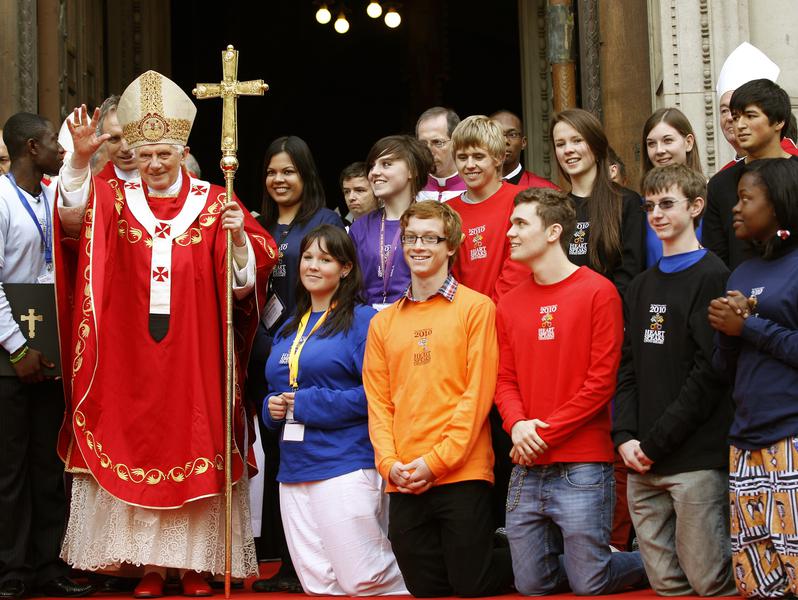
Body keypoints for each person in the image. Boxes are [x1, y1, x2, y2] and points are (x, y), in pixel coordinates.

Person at [54, 71, 278, 597]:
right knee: (138, 444)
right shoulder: (114, 198)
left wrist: (237, 241)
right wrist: (78, 162)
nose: (154, 164)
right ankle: (149, 566)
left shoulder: (214, 200)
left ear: (183, 152)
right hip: (129, 357)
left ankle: (196, 565)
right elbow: (72, 223)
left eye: (164, 154)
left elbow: (247, 282)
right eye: (145, 154)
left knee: (195, 441)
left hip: (196, 356)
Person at [495, 186, 646, 596]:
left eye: (520, 224)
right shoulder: (508, 303)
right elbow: (504, 379)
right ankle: (587, 561)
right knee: (530, 585)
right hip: (527, 463)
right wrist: (517, 425)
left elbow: (600, 383)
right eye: (511, 223)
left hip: (583, 464)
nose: (510, 233)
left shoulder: (599, 291)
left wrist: (540, 433)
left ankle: (654, 559)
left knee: (589, 584)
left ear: (553, 232)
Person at [364, 201, 513, 597]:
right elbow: (379, 403)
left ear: (451, 246)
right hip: (405, 475)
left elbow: (477, 397)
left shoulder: (477, 309)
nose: (418, 246)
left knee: (471, 583)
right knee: (424, 587)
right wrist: (389, 464)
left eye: (431, 238)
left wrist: (436, 462)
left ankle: (535, 554)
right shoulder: (382, 323)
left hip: (462, 471)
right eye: (411, 237)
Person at [263, 225, 406, 596]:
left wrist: (307, 403)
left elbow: (379, 395)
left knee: (365, 578)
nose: (312, 265)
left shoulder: (364, 321)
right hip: (294, 467)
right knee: (319, 583)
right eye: (308, 257)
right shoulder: (289, 327)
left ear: (345, 268)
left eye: (325, 259)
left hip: (345, 462)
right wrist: (270, 407)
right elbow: (278, 385)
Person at [613, 164, 735, 596]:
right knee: (664, 583)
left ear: (696, 206)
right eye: (649, 206)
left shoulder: (714, 276)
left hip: (695, 460)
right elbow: (627, 367)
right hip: (641, 460)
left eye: (667, 204)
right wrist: (625, 435)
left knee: (708, 580)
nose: (656, 215)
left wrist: (656, 443)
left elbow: (710, 373)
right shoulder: (640, 285)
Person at [0, 113, 92, 600]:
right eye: (53, 143)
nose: (62, 150)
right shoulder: (1, 200)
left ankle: (50, 564)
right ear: (31, 149)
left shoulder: (52, 194)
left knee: (47, 460)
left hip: (51, 343)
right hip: (9, 353)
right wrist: (17, 347)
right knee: (10, 467)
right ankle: (12, 569)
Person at [251, 134, 343, 594]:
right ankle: (283, 557)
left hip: (308, 349)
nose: (279, 179)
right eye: (271, 172)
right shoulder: (256, 223)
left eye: (288, 171)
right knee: (273, 454)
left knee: (303, 449)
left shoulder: (325, 222)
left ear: (306, 174)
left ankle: (309, 562)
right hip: (260, 350)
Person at [708, 158, 798, 598]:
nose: (735, 208)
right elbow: (723, 369)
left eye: (746, 199)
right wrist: (727, 331)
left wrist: (749, 326)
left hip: (791, 437)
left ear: (777, 204)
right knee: (755, 582)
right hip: (744, 441)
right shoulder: (741, 273)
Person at [702, 78, 798, 270]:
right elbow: (716, 259)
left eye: (750, 116)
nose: (739, 125)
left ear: (779, 121)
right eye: (736, 117)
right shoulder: (720, 185)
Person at [550, 108, 645, 295]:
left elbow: (630, 273)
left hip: (610, 308)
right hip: (566, 309)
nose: (568, 150)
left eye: (577, 140)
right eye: (560, 144)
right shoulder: (556, 208)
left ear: (596, 145)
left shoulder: (627, 202)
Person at [348, 135, 431, 309]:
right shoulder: (359, 227)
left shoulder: (432, 223)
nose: (374, 172)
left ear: (412, 171)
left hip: (418, 317)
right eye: (372, 166)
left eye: (386, 164)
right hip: (368, 320)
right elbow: (349, 289)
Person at [715, 42, 798, 171]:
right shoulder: (723, 177)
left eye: (747, 113)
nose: (731, 118)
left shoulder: (792, 164)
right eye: (725, 110)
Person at [640, 107, 704, 267]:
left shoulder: (713, 198)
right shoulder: (641, 207)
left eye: (667, 141)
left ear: (688, 142)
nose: (659, 150)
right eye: (651, 144)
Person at [490, 109, 558, 189]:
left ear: (523, 142)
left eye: (512, 134)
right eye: (496, 134)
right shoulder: (476, 189)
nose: (505, 141)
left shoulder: (546, 190)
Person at [415, 107, 466, 202]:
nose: (429, 152)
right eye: (422, 144)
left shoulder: (474, 188)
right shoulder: (411, 189)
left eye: (437, 142)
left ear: (456, 142)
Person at [93, 95, 139, 186]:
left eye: (132, 136)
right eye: (114, 139)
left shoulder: (167, 181)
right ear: (103, 142)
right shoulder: (95, 188)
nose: (125, 148)